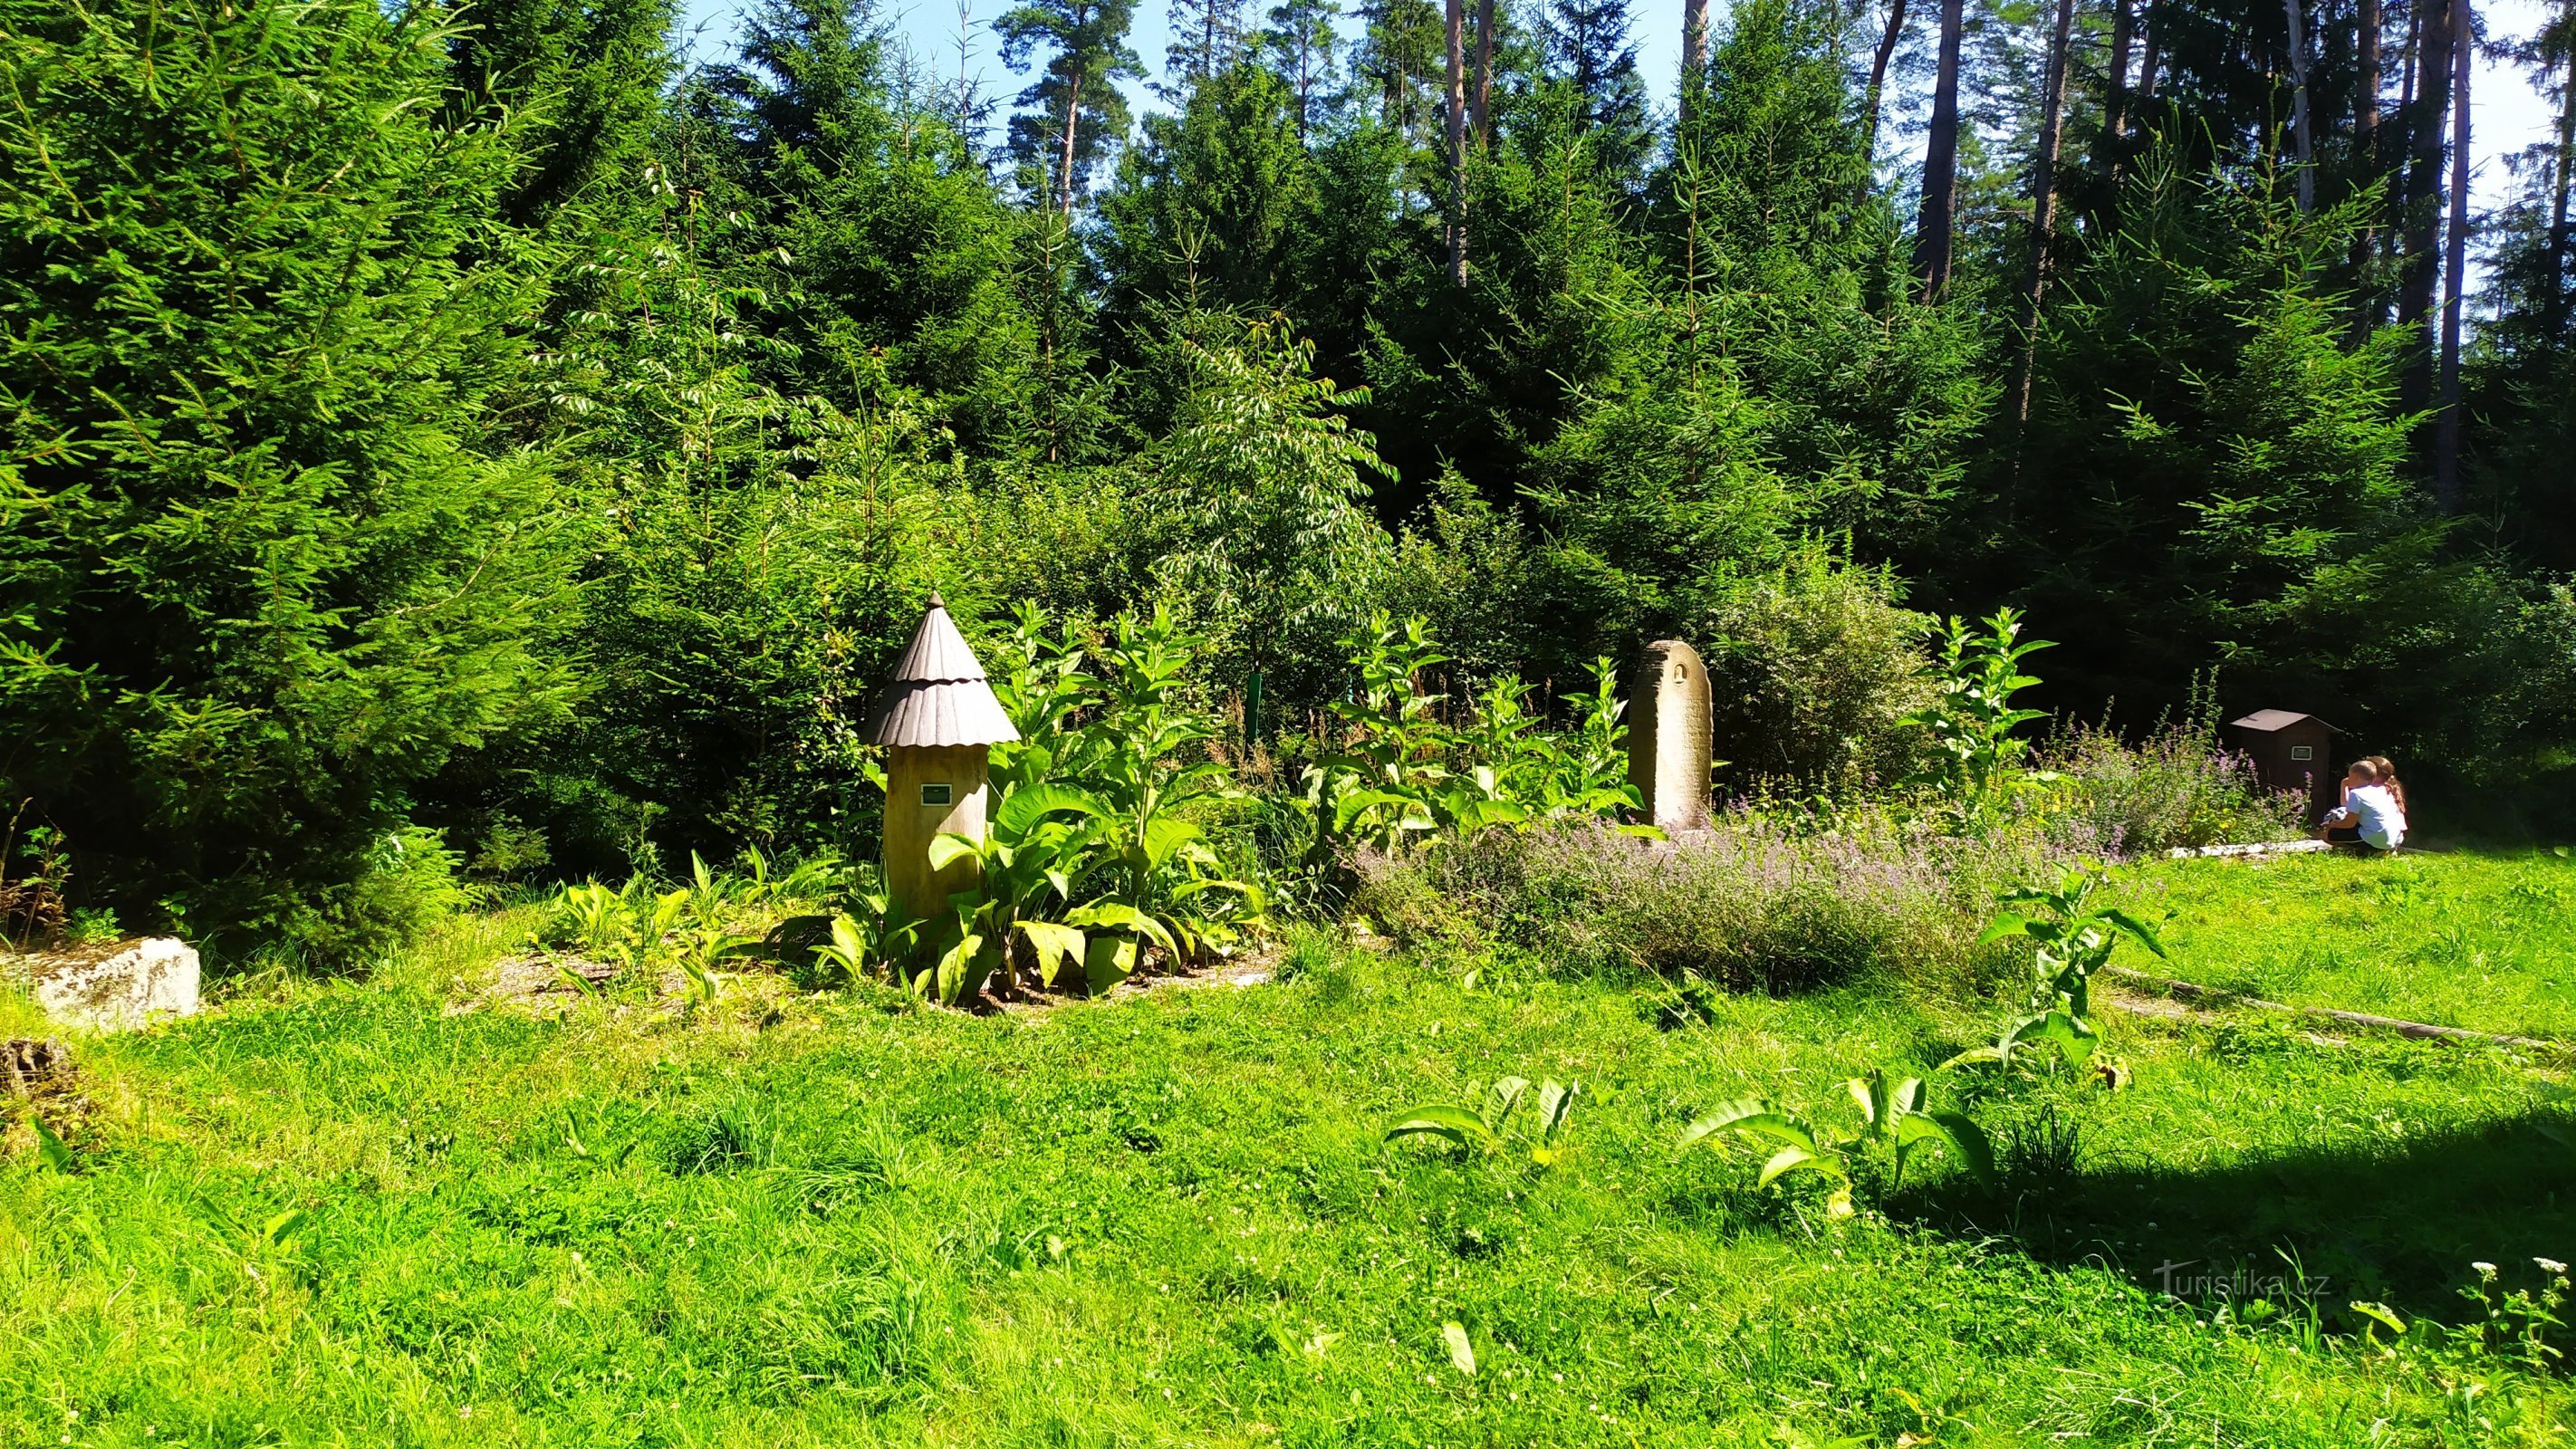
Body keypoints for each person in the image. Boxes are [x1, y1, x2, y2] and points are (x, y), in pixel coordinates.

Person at [2317, 758, 2405, 852]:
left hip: (2379, 840)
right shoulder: (2385, 789)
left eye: (2349, 776)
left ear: (2355, 776)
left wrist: (2333, 825)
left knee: (2328, 834)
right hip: (2396, 839)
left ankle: (2369, 851)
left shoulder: (2356, 793)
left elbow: (2349, 823)